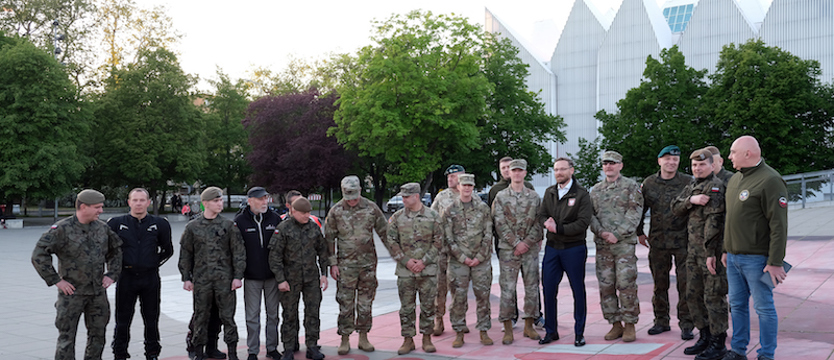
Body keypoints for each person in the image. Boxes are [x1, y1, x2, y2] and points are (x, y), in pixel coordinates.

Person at [32, 189, 123, 360]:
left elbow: (116, 251)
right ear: (83, 207)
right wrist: (56, 280)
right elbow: (39, 255)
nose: (101, 211)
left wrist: (111, 274)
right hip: (71, 294)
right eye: (97, 207)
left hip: (97, 294)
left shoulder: (103, 229)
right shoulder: (62, 229)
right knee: (66, 338)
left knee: (98, 336)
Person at [721, 135, 788, 360]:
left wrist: (776, 262)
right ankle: (738, 350)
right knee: (737, 306)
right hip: (733, 258)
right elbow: (731, 220)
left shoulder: (770, 180)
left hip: (757, 260)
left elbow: (779, 226)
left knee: (764, 309)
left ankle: (766, 355)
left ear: (747, 153)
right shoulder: (734, 180)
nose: (729, 156)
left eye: (732, 152)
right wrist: (725, 249)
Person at [672, 149, 729, 360]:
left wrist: (711, 253)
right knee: (692, 295)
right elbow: (675, 207)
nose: (697, 168)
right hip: (693, 252)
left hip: (710, 254)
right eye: (695, 165)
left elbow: (714, 223)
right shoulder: (693, 186)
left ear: (712, 166)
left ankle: (718, 342)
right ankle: (704, 336)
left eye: (702, 165)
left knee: (713, 297)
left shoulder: (716, 187)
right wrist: (691, 200)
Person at [178, 187, 246, 360]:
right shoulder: (193, 227)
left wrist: (238, 276)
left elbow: (238, 252)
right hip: (202, 281)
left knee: (227, 318)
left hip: (225, 281)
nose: (220, 204)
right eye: (216, 201)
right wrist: (186, 277)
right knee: (201, 317)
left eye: (221, 200)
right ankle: (199, 352)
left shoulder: (228, 225)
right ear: (205, 203)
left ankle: (232, 353)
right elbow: (186, 254)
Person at [325, 175, 388, 355]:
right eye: (348, 196)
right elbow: (329, 239)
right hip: (345, 266)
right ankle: (344, 338)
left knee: (365, 303)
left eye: (354, 196)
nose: (351, 201)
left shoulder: (371, 208)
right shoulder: (336, 211)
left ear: (360, 191)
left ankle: (363, 336)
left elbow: (385, 233)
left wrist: (400, 256)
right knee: (345, 303)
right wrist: (333, 264)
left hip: (368, 265)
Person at [109, 188, 174, 360]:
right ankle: (120, 352)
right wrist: (115, 268)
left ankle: (152, 352)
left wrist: (152, 262)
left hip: (150, 278)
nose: (138, 203)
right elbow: (106, 250)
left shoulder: (160, 224)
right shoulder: (115, 223)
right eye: (135, 200)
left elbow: (168, 250)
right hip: (126, 278)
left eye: (142, 200)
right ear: (129, 202)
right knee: (122, 319)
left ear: (148, 202)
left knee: (151, 319)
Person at [637, 145, 694, 340]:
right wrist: (639, 232)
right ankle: (661, 321)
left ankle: (687, 323)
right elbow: (641, 209)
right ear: (659, 160)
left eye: (675, 159)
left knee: (685, 284)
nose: (671, 162)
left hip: (683, 241)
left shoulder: (688, 182)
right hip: (658, 242)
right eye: (667, 158)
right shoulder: (649, 183)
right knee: (659, 284)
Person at [536, 157, 592, 347]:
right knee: (549, 290)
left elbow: (583, 223)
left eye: (562, 169)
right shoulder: (549, 192)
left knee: (578, 290)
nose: (558, 172)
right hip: (552, 249)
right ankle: (551, 331)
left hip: (574, 249)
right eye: (556, 170)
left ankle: (579, 333)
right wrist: (546, 223)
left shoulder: (582, 194)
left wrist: (557, 228)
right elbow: (542, 214)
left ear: (571, 170)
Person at [590, 151, 644, 343]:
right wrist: (602, 233)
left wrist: (617, 234)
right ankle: (615, 324)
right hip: (603, 245)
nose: (609, 166)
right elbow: (591, 216)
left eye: (613, 163)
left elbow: (635, 213)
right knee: (606, 285)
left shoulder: (631, 186)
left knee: (626, 284)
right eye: (605, 163)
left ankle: (630, 324)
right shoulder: (595, 190)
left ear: (621, 165)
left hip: (623, 246)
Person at [385, 182, 443, 355]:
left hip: (428, 270)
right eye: (402, 196)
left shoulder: (433, 216)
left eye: (406, 196)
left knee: (427, 306)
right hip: (405, 271)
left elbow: (438, 241)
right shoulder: (396, 218)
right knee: (406, 308)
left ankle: (427, 338)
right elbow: (391, 242)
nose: (403, 199)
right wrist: (406, 261)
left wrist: (424, 261)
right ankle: (408, 340)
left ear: (416, 196)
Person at [268, 197, 329, 360]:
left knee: (313, 312)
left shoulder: (314, 228)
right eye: (303, 213)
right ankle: (288, 347)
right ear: (293, 211)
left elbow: (323, 252)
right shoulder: (283, 229)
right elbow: (275, 257)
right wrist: (281, 280)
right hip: (290, 279)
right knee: (289, 314)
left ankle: (312, 346)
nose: (306, 216)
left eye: (309, 212)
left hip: (311, 278)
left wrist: (324, 274)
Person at [487, 157, 542, 329]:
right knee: (508, 287)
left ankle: (531, 322)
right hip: (508, 250)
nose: (517, 173)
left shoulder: (534, 197)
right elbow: (498, 222)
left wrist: (526, 242)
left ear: (525, 173)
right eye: (514, 170)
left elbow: (539, 222)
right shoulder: (501, 196)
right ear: (509, 173)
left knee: (532, 287)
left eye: (520, 170)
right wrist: (515, 243)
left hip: (530, 249)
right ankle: (508, 321)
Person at [443, 173, 494, 347]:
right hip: (458, 261)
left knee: (483, 296)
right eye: (463, 185)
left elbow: (488, 234)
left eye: (470, 186)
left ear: (473, 187)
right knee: (458, 297)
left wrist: (479, 256)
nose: (466, 188)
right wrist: (462, 257)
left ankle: (483, 330)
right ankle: (459, 331)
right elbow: (448, 238)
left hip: (481, 260)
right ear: (458, 187)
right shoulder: (450, 209)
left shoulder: (483, 209)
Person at [236, 187, 283, 360]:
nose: (264, 202)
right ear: (250, 201)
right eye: (260, 199)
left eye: (266, 199)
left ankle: (272, 348)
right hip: (251, 278)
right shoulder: (240, 221)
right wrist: (237, 275)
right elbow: (236, 251)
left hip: (272, 277)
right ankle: (253, 351)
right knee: (252, 317)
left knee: (273, 315)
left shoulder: (275, 219)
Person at [429, 164, 465, 336]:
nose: (450, 179)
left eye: (454, 176)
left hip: (461, 251)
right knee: (439, 286)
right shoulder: (441, 197)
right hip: (442, 251)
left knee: (459, 288)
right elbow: (431, 219)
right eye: (449, 177)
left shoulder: (469, 195)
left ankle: (459, 320)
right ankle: (439, 320)